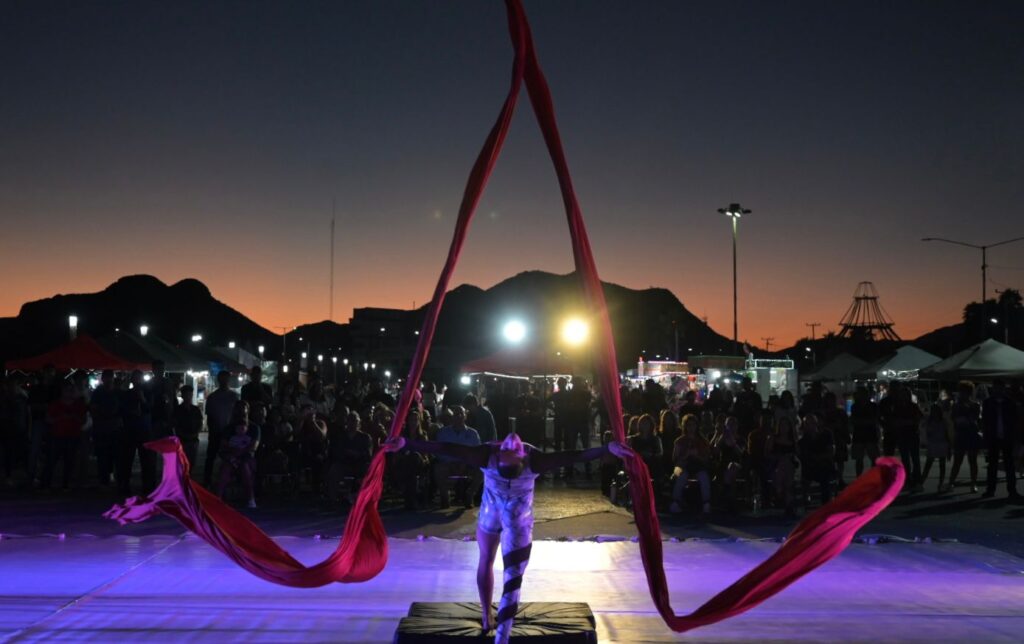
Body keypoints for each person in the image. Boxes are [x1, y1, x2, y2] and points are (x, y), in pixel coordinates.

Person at [383, 431, 633, 643]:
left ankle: (500, 632)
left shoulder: (516, 457)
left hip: (509, 516)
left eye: (510, 449)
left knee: (512, 575)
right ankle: (486, 615)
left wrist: (407, 443)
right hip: (500, 512)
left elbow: (573, 456)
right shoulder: (512, 456)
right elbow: (447, 448)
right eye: (508, 449)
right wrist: (605, 448)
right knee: (488, 560)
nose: (511, 442)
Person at [42, 379, 88, 490]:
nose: (69, 392)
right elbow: (48, 419)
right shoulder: (56, 404)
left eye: (71, 390)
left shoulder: (79, 405)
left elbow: (83, 420)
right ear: (62, 391)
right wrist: (60, 418)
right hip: (57, 435)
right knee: (52, 461)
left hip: (72, 435)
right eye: (67, 390)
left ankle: (65, 484)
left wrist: (73, 417)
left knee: (69, 461)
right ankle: (45, 484)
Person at [434, 405, 482, 508]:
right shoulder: (443, 432)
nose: (459, 416)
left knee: (482, 471)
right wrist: (451, 462)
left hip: (467, 465)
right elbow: (439, 452)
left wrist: (465, 462)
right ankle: (445, 497)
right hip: (449, 464)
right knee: (438, 469)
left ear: (465, 416)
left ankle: (470, 494)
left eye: (461, 414)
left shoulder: (473, 433)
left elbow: (477, 452)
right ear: (452, 417)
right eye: (456, 414)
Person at [981, 379, 1019, 499]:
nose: (998, 390)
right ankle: (991, 489)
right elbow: (984, 421)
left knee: (1009, 464)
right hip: (993, 437)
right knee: (993, 465)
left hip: (1007, 436)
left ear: (1003, 388)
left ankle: (1012, 490)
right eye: (996, 388)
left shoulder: (1010, 402)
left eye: (1000, 388)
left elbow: (1014, 421)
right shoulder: (988, 403)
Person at [216, 400, 259, 508]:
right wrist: (233, 454)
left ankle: (251, 498)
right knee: (226, 468)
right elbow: (224, 445)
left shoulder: (254, 428)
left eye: (243, 408)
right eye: (238, 408)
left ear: (248, 410)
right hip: (232, 457)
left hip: (247, 458)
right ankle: (217, 498)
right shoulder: (229, 428)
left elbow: (253, 446)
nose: (241, 411)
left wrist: (240, 452)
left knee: (245, 467)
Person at [670, 413, 712, 514]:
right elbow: (675, 460)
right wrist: (686, 455)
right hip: (682, 466)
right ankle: (676, 502)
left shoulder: (702, 441)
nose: (691, 428)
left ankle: (706, 503)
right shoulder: (679, 441)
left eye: (693, 425)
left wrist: (697, 455)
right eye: (689, 425)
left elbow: (706, 459)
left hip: (698, 466)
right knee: (681, 475)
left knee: (703, 476)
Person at [203, 370, 239, 487]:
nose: (224, 381)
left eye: (226, 379)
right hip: (216, 431)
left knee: (229, 457)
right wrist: (211, 429)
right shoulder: (212, 397)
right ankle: (207, 480)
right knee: (211, 456)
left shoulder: (234, 396)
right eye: (222, 379)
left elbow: (237, 415)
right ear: (219, 380)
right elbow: (209, 416)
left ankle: (228, 479)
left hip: (229, 432)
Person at [948, 382, 982, 493]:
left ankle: (973, 483)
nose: (963, 394)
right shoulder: (956, 405)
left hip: (971, 434)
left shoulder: (975, 405)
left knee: (972, 461)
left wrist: (964, 416)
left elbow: (974, 419)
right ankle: (951, 482)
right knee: (957, 461)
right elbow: (955, 419)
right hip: (961, 435)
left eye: (966, 392)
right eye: (962, 392)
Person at [89, 369, 121, 487]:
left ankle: (110, 476)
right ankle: (104, 479)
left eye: (110, 377)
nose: (108, 380)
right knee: (103, 455)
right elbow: (93, 409)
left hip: (113, 428)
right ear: (103, 379)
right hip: (103, 428)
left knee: (113, 454)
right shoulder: (98, 392)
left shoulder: (117, 392)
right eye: (107, 377)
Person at [849, 387, 880, 477]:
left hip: (865, 434)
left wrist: (861, 421)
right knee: (861, 459)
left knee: (871, 458)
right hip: (864, 435)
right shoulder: (857, 406)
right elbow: (873, 420)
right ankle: (861, 477)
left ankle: (869, 477)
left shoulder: (857, 406)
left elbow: (873, 420)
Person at [920, 403, 951, 492]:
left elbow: (946, 435)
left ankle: (940, 484)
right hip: (933, 444)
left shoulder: (942, 421)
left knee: (941, 465)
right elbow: (925, 431)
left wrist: (948, 448)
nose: (934, 413)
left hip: (941, 444)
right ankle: (921, 482)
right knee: (928, 464)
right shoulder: (929, 421)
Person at [173, 385, 204, 470]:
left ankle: (187, 479)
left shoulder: (195, 409)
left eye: (189, 394)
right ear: (182, 396)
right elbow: (175, 425)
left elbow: (200, 423)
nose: (188, 397)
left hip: (193, 440)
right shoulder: (178, 410)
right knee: (182, 462)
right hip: (182, 440)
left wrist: (196, 433)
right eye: (186, 394)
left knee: (191, 463)